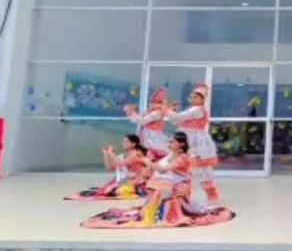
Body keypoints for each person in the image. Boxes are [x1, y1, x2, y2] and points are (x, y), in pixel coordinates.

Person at [81, 131, 235, 229]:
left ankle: (168, 213)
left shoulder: (183, 157)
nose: (169, 144)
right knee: (157, 192)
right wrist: (107, 155)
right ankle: (154, 211)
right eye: (169, 142)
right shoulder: (169, 155)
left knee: (160, 192)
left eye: (172, 142)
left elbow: (162, 169)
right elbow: (112, 166)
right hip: (166, 184)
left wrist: (146, 162)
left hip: (180, 186)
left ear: (181, 144)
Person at [166, 84, 220, 204]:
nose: (192, 99)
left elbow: (179, 117)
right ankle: (181, 193)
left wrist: (167, 110)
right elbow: (176, 120)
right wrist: (172, 112)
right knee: (183, 167)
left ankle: (211, 195)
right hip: (187, 139)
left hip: (196, 142)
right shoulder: (193, 110)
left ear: (202, 99)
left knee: (200, 169)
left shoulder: (197, 110)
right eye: (191, 97)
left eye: (195, 97)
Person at [64, 134, 150, 201]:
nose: (123, 143)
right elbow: (109, 168)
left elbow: (120, 163)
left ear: (133, 144)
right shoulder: (122, 155)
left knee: (120, 191)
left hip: (135, 182)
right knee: (106, 190)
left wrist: (111, 153)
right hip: (122, 181)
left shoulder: (136, 154)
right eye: (123, 141)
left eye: (126, 142)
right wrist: (106, 155)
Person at [124, 88, 171, 161]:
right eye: (151, 101)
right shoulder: (150, 111)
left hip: (153, 136)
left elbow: (143, 120)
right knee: (145, 152)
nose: (151, 104)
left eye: (154, 102)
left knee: (151, 153)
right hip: (147, 134)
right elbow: (139, 119)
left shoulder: (157, 112)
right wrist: (133, 112)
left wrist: (132, 112)